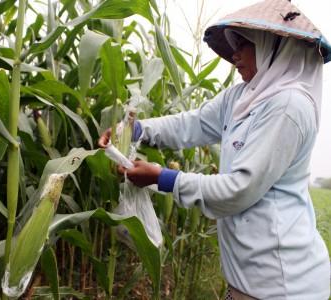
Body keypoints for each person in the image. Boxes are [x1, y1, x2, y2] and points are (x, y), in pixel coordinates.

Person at [98, 0, 330, 299]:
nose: (234, 55)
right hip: (250, 280)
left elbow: (239, 190)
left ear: (273, 48)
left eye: (243, 44)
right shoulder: (243, 96)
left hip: (282, 283)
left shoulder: (288, 107)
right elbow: (192, 123)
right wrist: (136, 129)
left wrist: (162, 178)